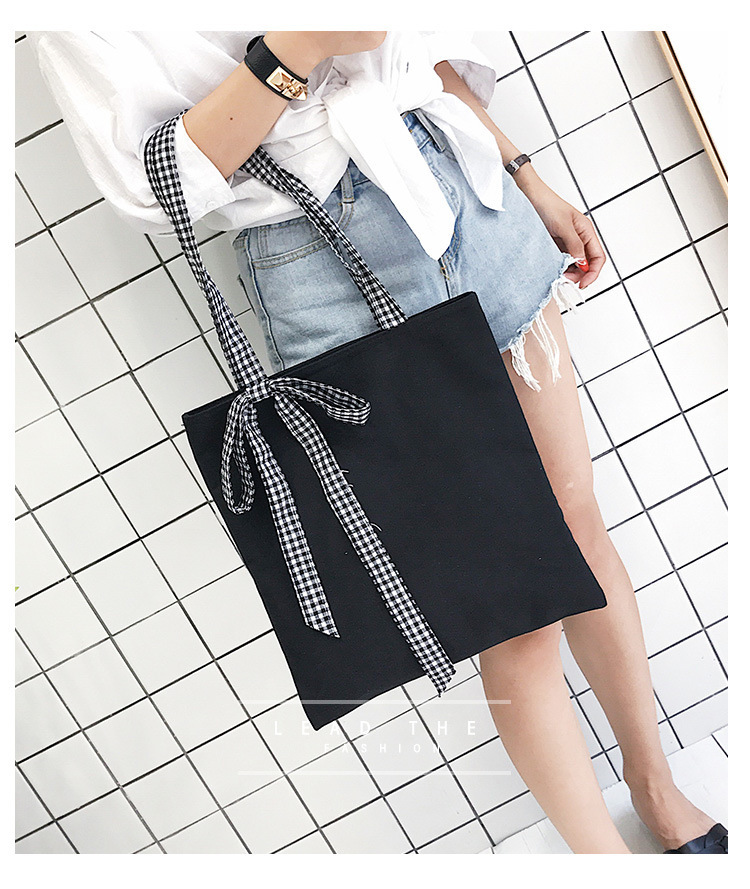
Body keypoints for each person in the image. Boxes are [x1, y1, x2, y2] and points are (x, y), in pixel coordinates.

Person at [28, 30, 726, 855]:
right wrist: (302, 45)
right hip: (317, 252)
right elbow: (155, 184)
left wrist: (524, 173)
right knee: (512, 604)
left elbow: (419, 46)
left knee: (579, 526)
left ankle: (654, 787)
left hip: (452, 182)